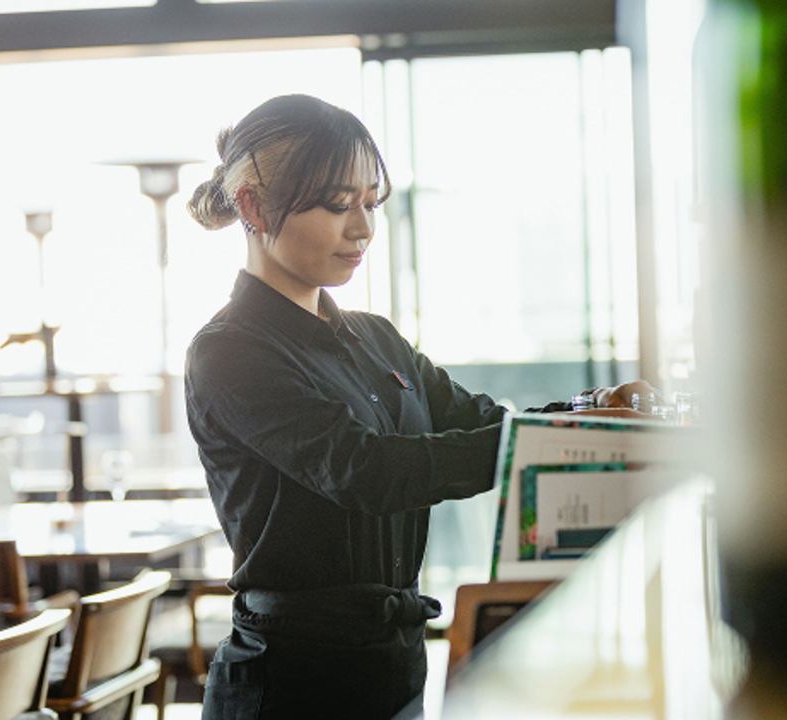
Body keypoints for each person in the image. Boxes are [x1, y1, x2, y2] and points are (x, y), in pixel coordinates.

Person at [184, 94, 653, 719]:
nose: (363, 229)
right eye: (337, 204)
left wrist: (586, 417)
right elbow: (364, 470)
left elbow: (480, 420)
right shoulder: (229, 352)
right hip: (292, 680)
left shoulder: (375, 337)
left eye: (370, 203)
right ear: (253, 204)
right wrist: (551, 443)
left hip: (395, 664)